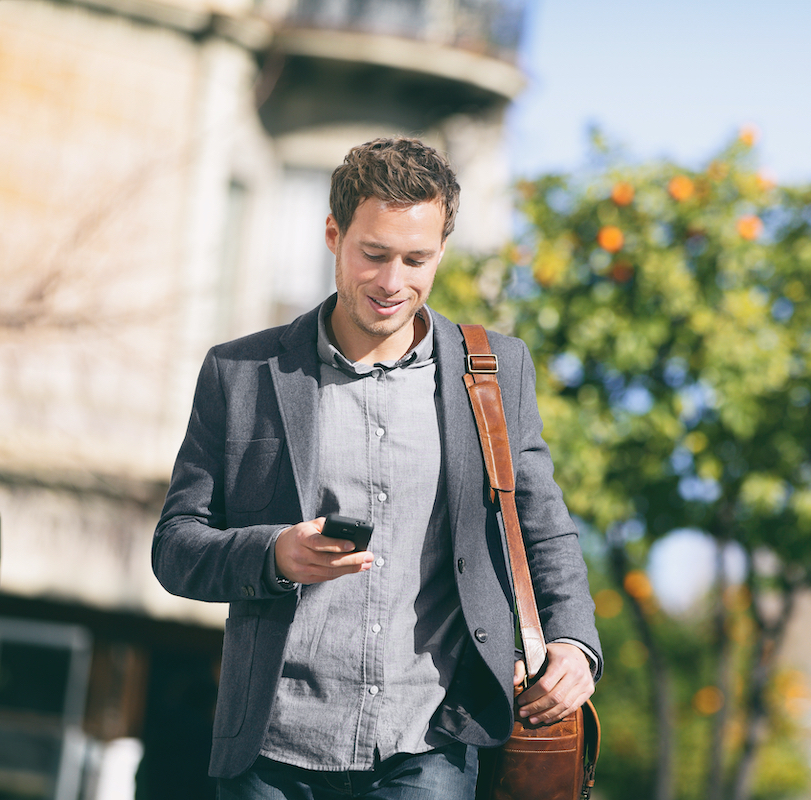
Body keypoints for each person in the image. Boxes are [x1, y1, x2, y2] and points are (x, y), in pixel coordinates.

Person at [152, 137, 601, 799]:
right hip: (271, 751)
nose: (394, 282)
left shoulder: (496, 373)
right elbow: (176, 549)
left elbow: (543, 528)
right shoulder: (240, 374)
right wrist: (275, 554)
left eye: (417, 259)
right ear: (333, 235)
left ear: (442, 251)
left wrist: (573, 641)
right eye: (374, 254)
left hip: (430, 744)